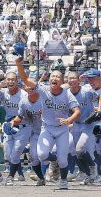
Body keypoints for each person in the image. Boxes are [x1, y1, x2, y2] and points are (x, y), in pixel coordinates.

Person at [16, 58, 81, 189]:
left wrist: (69, 120)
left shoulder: (67, 94)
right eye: (52, 76)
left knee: (63, 159)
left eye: (58, 76)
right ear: (49, 79)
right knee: (41, 154)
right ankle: (54, 160)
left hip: (62, 129)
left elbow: (77, 111)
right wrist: (19, 65)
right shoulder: (43, 89)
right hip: (47, 128)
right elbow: (26, 80)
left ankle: (63, 180)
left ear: (62, 81)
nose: (54, 78)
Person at [0, 71, 28, 184]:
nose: (10, 81)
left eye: (13, 79)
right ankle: (19, 174)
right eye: (8, 79)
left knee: (16, 153)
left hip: (22, 125)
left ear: (17, 81)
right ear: (6, 81)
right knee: (8, 154)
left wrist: (15, 121)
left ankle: (10, 177)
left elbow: (27, 113)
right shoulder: (4, 92)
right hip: (8, 125)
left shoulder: (24, 94)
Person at [67, 71, 98, 185]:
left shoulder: (86, 90)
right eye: (70, 78)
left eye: (74, 78)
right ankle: (87, 175)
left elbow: (99, 97)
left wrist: (98, 110)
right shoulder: (66, 93)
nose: (72, 80)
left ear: (78, 80)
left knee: (80, 148)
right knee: (77, 152)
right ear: (67, 80)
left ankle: (92, 166)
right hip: (76, 125)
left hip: (88, 124)